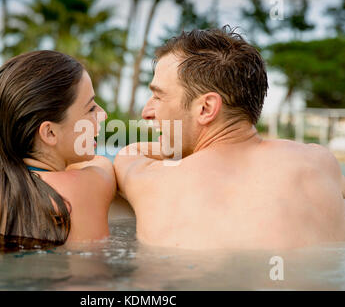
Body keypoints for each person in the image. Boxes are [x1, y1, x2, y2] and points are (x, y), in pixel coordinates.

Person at [114, 26, 345, 250]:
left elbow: (131, 153)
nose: (146, 111)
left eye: (158, 96)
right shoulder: (321, 163)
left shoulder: (152, 180)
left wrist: (176, 148)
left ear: (205, 108)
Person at [0, 50, 116, 244]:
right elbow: (102, 162)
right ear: (50, 133)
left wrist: (11, 162)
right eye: (91, 108)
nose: (102, 114)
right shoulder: (91, 184)